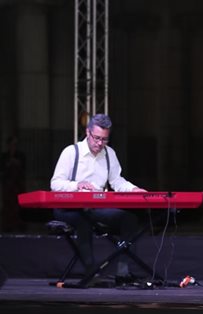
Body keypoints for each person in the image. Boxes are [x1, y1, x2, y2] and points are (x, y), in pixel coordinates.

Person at [50, 114, 146, 280]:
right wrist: (76, 185)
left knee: (129, 218)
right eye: (96, 138)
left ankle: (122, 272)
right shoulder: (71, 152)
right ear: (88, 132)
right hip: (68, 208)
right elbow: (55, 183)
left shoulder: (109, 154)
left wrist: (134, 189)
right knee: (83, 219)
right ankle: (91, 272)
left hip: (95, 208)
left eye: (104, 139)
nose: (100, 143)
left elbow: (117, 181)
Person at [0, 135, 26, 232]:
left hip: (18, 184)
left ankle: (20, 224)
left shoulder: (21, 155)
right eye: (11, 144)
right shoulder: (4, 156)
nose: (13, 146)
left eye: (15, 145)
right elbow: (2, 169)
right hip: (8, 184)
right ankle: (8, 225)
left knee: (19, 204)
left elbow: (23, 169)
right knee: (8, 204)